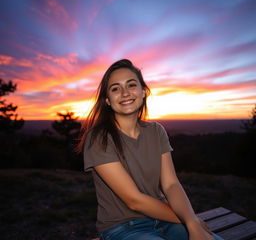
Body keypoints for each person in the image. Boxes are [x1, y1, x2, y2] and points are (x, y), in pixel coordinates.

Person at [77, 59, 224, 240]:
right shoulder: (99, 138)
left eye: (131, 85)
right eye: (115, 88)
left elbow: (171, 185)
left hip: (165, 219)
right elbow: (134, 200)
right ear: (107, 100)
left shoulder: (156, 131)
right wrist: (189, 220)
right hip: (124, 228)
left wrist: (191, 222)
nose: (125, 93)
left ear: (143, 92)